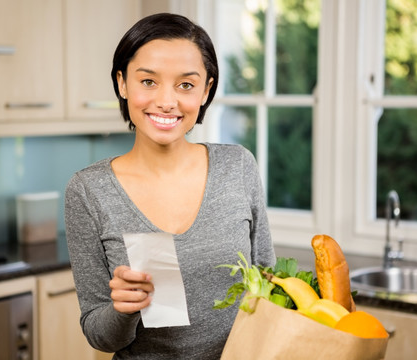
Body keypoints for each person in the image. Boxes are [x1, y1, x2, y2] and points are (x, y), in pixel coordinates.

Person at [65, 12, 275, 359]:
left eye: (186, 84)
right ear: (122, 83)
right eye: (148, 81)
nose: (166, 101)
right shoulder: (89, 191)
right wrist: (123, 309)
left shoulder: (238, 166)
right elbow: (99, 335)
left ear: (206, 90)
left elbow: (268, 286)